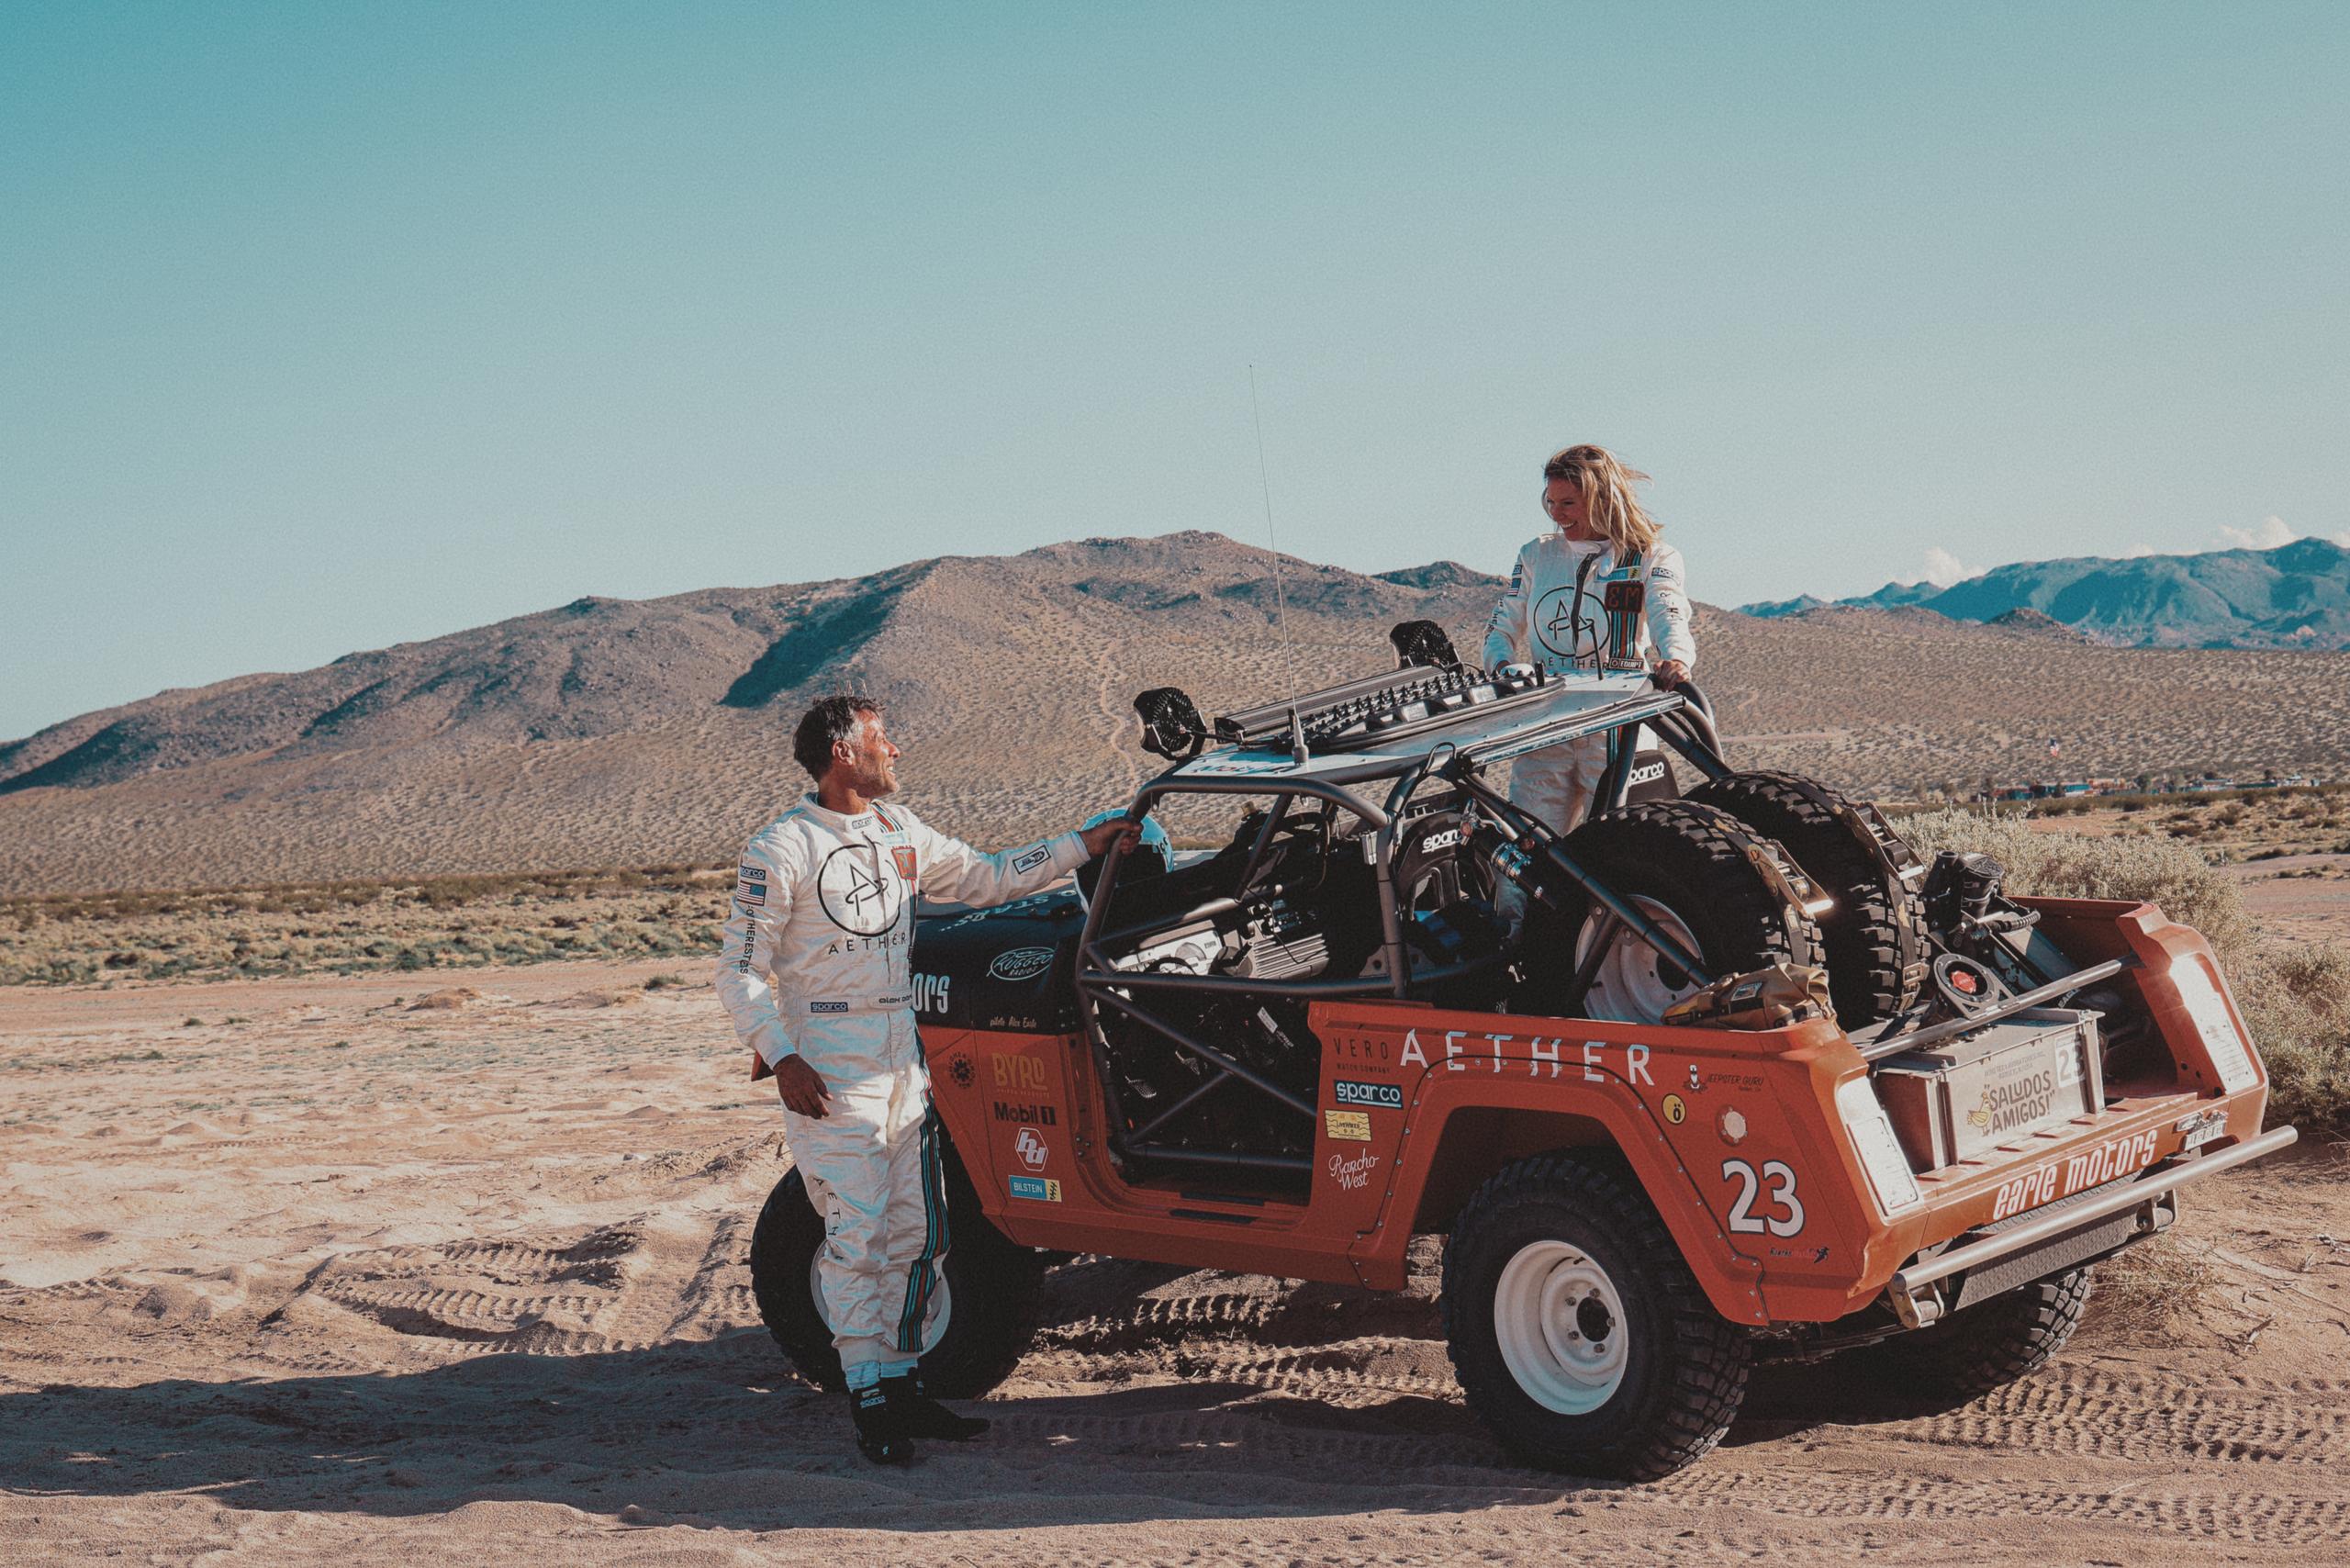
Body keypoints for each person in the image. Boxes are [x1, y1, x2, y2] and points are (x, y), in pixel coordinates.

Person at [715, 694, 1137, 1464]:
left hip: (901, 1057)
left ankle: (903, 1380)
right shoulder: (780, 850)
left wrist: (1085, 843)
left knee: (917, 1230)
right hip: (830, 1063)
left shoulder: (900, 833)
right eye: (884, 739)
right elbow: (739, 972)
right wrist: (782, 1056)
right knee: (856, 1234)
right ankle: (869, 1394)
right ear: (843, 751)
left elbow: (987, 878)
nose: (896, 752)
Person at [1483, 443, 1695, 836]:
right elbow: (1502, 624)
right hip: (1544, 725)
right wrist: (1501, 666)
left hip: (1617, 726)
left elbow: (1670, 611)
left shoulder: (1650, 556)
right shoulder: (1536, 555)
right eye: (1550, 502)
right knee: (1527, 846)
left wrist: (1676, 659)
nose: (1556, 515)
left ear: (1601, 498)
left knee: (1624, 848)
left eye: (1569, 503)